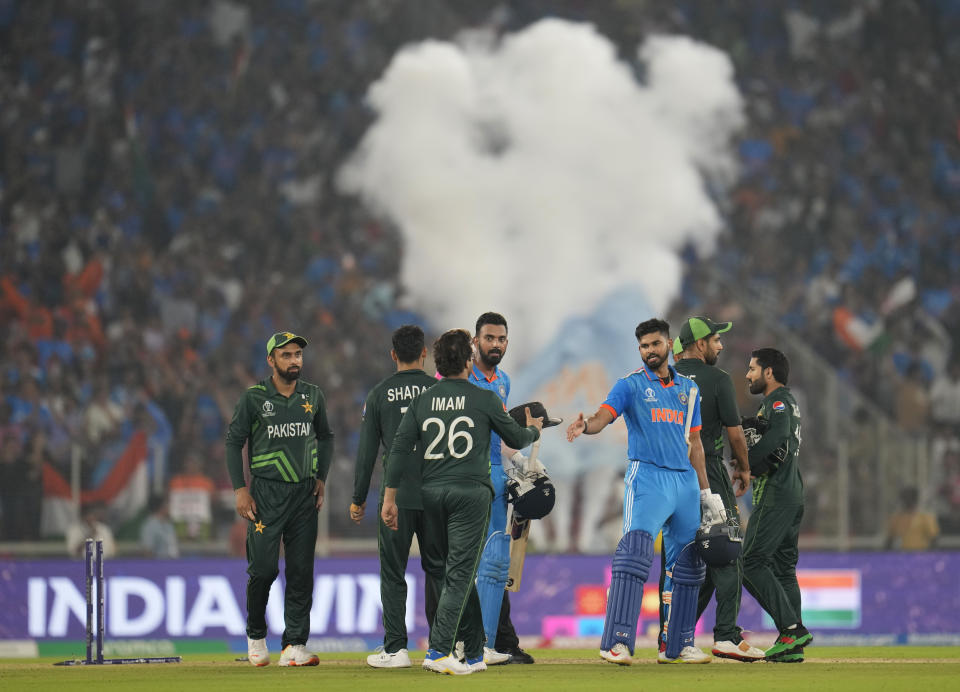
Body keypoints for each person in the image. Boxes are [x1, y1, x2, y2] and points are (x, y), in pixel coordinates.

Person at [381, 328, 542, 675]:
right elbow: (515, 436)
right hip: (469, 494)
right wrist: (534, 431)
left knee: (449, 573)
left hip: (430, 494)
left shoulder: (424, 399)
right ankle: (438, 651)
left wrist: (389, 498)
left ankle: (472, 652)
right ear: (468, 361)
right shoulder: (483, 398)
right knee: (459, 574)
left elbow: (398, 448)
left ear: (439, 361)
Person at [567, 318, 724, 665]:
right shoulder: (631, 385)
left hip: (684, 481)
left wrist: (706, 493)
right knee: (634, 556)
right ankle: (617, 642)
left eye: (655, 344)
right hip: (648, 479)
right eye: (643, 346)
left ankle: (679, 644)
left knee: (689, 565)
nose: (650, 351)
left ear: (669, 344)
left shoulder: (689, 389)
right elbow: (604, 416)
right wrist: (586, 426)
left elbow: (695, 443)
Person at [225, 331, 334, 667]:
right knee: (263, 570)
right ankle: (256, 636)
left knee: (302, 572)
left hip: (304, 495)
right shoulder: (254, 397)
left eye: (298, 354)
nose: (294, 360)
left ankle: (294, 645)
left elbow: (326, 437)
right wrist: (240, 489)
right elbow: (233, 443)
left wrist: (321, 479)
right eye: (286, 355)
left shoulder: (313, 395)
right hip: (266, 494)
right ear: (271, 360)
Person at [663, 317, 764, 661]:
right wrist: (744, 468)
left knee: (679, 561)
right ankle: (725, 636)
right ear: (700, 344)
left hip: (670, 477)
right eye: (716, 339)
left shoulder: (664, 379)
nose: (721, 345)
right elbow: (735, 434)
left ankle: (670, 639)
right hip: (708, 474)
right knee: (727, 550)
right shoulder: (718, 380)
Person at [350, 324, 440, 669]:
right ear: (423, 354)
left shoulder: (378, 395)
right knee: (438, 570)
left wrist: (358, 499)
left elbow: (367, 452)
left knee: (392, 572)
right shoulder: (439, 391)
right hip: (436, 495)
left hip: (396, 497)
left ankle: (396, 648)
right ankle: (440, 646)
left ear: (392, 355)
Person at [468, 312, 532, 665]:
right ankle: (454, 641)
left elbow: (502, 435)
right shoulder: (459, 376)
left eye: (501, 339)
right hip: (464, 474)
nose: (496, 344)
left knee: (495, 563)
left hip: (494, 474)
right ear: (475, 340)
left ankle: (486, 643)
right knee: (462, 561)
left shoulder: (503, 381)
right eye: (489, 338)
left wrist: (521, 461)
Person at [742, 347, 813, 663]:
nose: (748, 374)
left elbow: (779, 436)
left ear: (768, 372)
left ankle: (791, 628)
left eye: (753, 368)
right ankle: (791, 645)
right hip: (791, 494)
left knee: (750, 562)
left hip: (775, 495)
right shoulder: (783, 403)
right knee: (784, 569)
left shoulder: (779, 402)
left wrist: (748, 464)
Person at [885, 486, 939, 550]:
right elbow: (889, 540)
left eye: (910, 498)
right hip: (902, 555)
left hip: (921, 554)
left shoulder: (925, 518)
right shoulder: (896, 518)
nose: (908, 501)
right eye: (905, 499)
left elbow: (934, 539)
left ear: (915, 500)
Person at [139, 494, 179, 558]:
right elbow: (147, 550)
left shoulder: (168, 524)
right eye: (166, 505)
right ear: (161, 508)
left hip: (173, 564)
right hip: (159, 565)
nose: (169, 507)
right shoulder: (149, 526)